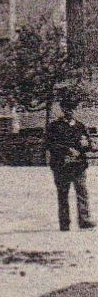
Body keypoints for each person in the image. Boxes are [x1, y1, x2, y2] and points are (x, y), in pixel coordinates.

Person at [45, 95, 93, 231]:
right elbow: (49, 144)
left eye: (72, 109)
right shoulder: (54, 127)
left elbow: (88, 143)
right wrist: (66, 150)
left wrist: (88, 144)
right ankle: (64, 222)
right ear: (62, 109)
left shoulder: (80, 126)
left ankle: (84, 220)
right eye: (67, 108)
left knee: (82, 192)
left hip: (78, 165)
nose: (70, 111)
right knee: (63, 194)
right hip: (62, 166)